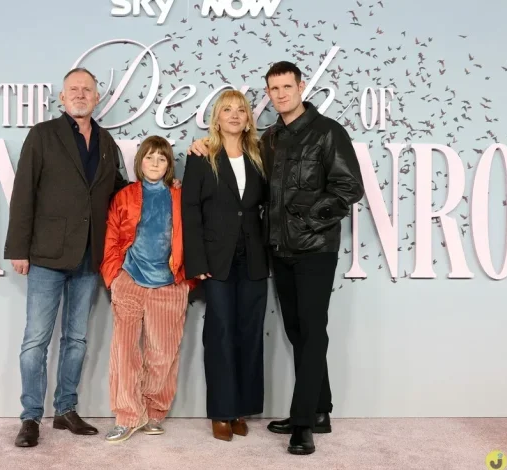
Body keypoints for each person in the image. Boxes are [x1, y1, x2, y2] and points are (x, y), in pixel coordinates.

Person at [188, 61, 365, 455]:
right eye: (274, 89)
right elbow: (241, 182)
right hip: (279, 252)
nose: (281, 94)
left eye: (287, 86)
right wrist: (202, 144)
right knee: (298, 331)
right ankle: (320, 409)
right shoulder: (268, 141)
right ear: (268, 94)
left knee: (313, 328)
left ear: (301, 87)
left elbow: (349, 187)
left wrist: (307, 220)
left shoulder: (327, 132)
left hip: (316, 249)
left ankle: (302, 424)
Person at [4, 67, 131, 448]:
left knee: (76, 338)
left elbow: (118, 191)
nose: (80, 94)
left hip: (89, 257)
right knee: (36, 341)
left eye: (87, 89)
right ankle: (30, 418)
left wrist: (158, 185)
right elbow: (23, 191)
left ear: (96, 98)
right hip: (45, 254)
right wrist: (18, 248)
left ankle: (65, 409)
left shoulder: (106, 141)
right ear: (62, 98)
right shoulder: (42, 135)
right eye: (73, 89)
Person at [181, 90, 269, 442]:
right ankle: (221, 410)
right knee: (219, 334)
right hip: (215, 260)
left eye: (241, 110)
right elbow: (190, 211)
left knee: (249, 333)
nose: (234, 115)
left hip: (254, 258)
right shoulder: (202, 156)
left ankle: (241, 408)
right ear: (216, 118)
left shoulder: (261, 156)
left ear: (249, 118)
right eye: (227, 110)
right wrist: (197, 260)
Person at [99, 136, 197, 443]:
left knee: (163, 353)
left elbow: (194, 238)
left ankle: (154, 413)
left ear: (169, 165)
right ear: (140, 161)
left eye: (162, 159)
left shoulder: (180, 196)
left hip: (169, 285)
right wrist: (115, 277)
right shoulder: (125, 195)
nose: (155, 164)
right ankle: (127, 415)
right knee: (124, 352)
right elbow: (112, 237)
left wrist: (186, 279)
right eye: (150, 158)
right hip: (129, 281)